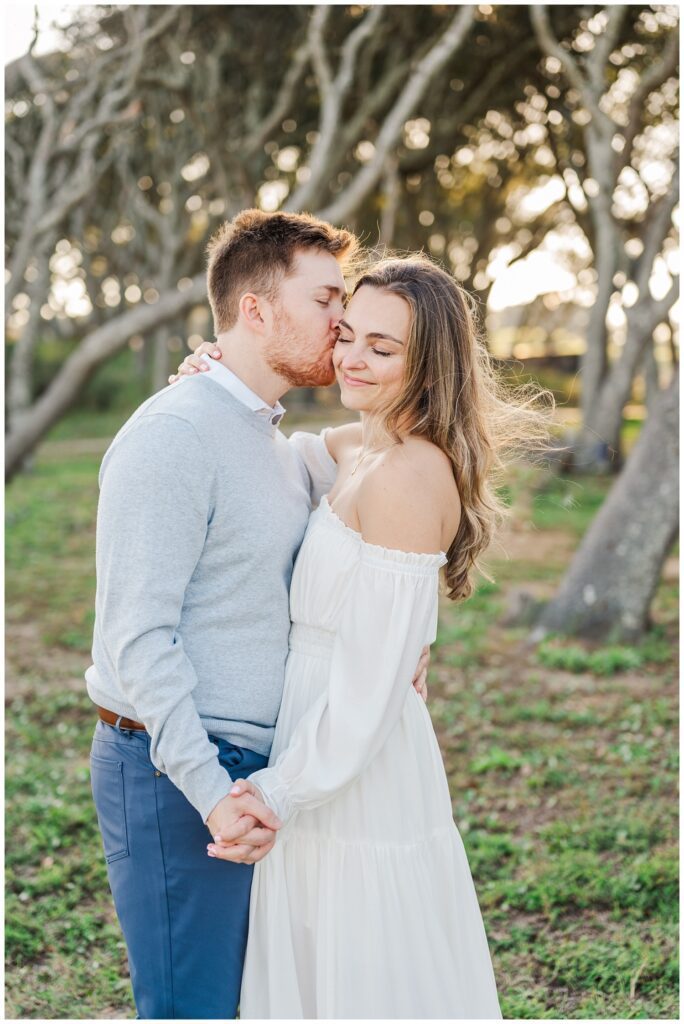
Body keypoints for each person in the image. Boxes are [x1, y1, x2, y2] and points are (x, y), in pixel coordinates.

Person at [173, 255, 551, 1017]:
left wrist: (274, 793)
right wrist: (212, 381)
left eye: (383, 348)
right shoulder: (360, 447)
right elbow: (272, 462)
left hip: (349, 764)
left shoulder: (410, 476)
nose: (351, 356)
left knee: (361, 970)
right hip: (313, 743)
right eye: (347, 334)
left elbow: (371, 690)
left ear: (428, 364)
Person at [86, 209, 431, 1020]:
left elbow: (379, 486)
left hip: (256, 775)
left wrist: (415, 630)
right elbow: (137, 639)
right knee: (193, 1007)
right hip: (178, 777)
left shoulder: (273, 441)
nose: (342, 322)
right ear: (255, 311)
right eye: (325, 301)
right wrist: (213, 793)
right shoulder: (175, 433)